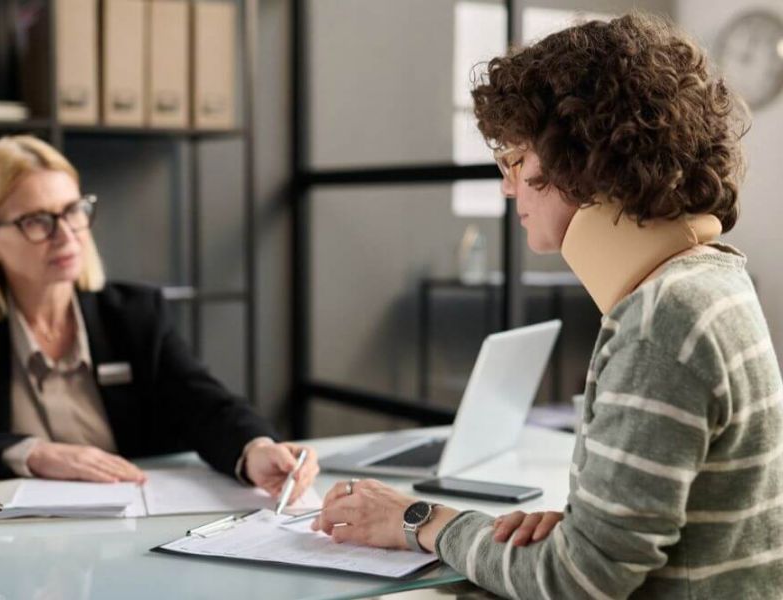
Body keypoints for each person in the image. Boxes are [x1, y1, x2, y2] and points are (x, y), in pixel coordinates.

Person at [311, 12, 783, 598]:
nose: (508, 187)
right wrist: (590, 533)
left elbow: (577, 583)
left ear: (583, 159)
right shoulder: (715, 279)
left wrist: (421, 522)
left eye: (516, 161)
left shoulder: (663, 319)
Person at [0, 135, 318, 505]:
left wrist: (255, 449)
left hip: (131, 533)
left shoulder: (134, 315)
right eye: (36, 221)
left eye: (73, 211)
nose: (66, 236)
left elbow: (203, 403)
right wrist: (34, 453)